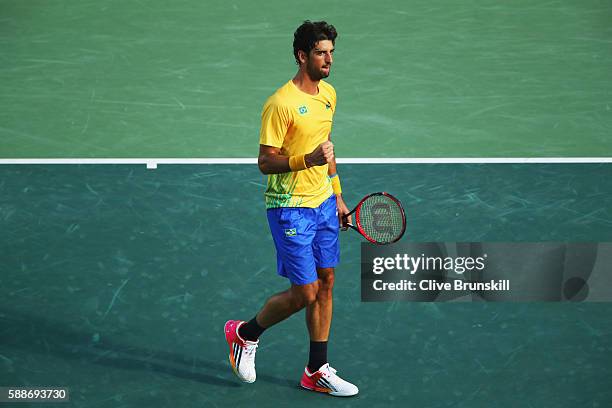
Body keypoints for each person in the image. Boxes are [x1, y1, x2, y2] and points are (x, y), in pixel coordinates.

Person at [224, 20, 358, 397]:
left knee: (327, 283)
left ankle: (316, 370)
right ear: (302, 56)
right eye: (320, 52)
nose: (328, 59)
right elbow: (265, 162)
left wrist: (338, 195)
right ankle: (244, 334)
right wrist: (306, 159)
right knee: (305, 293)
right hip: (289, 207)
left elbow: (326, 146)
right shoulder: (279, 103)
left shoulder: (329, 93)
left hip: (322, 203)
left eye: (331, 52)